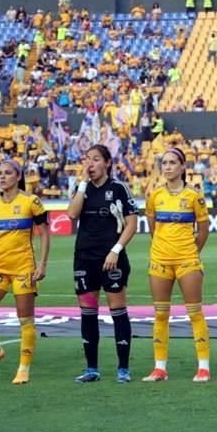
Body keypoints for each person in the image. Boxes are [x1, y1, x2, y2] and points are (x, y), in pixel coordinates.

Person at [66, 145, 139, 384]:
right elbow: (72, 215)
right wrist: (84, 184)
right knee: (88, 312)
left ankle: (123, 369)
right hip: (84, 257)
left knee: (117, 311)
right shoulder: (81, 188)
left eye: (96, 159)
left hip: (112, 258)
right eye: (87, 159)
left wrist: (115, 250)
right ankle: (91, 369)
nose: (91, 163)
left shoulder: (118, 188)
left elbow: (131, 224)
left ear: (107, 163)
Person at [0, 161, 50, 384]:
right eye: (0, 174)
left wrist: (42, 264)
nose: (2, 177)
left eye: (7, 173)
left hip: (23, 268)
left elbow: (44, 234)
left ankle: (23, 368)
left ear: (18, 177)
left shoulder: (31, 201)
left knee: (25, 320)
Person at [143, 148, 211, 383]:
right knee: (160, 314)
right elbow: (153, 228)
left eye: (173, 163)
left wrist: (190, 253)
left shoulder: (194, 196)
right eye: (165, 163)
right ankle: (159, 368)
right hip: (160, 261)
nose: (168, 167)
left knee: (195, 313)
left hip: (187, 261)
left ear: (183, 167)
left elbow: (203, 231)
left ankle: (203, 367)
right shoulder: (155, 196)